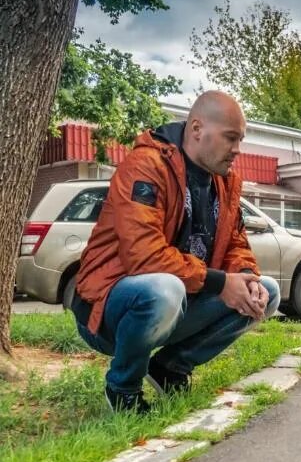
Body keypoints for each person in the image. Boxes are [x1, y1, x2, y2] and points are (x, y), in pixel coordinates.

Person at [72, 91, 280, 413]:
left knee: (267, 291)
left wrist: (245, 277)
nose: (237, 150)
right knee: (164, 289)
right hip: (110, 309)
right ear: (197, 129)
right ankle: (123, 390)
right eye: (230, 138)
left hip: (180, 299)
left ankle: (170, 369)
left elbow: (235, 241)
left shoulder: (225, 181)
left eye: (240, 140)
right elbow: (144, 256)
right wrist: (221, 284)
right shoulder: (146, 166)